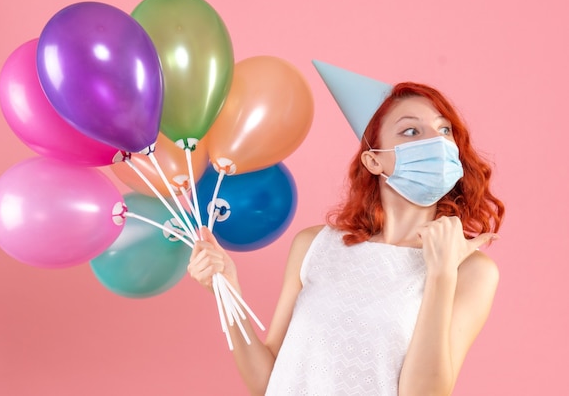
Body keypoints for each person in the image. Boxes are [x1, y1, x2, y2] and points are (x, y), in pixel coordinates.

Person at [188, 79, 504, 395]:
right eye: (411, 131)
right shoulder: (314, 246)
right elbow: (267, 382)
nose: (436, 142)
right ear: (374, 160)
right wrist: (226, 289)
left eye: (445, 130)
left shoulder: (470, 270)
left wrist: (441, 273)